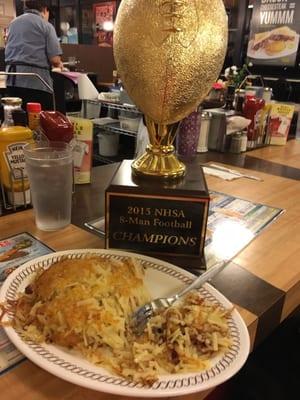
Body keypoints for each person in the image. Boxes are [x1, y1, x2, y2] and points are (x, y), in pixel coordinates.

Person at [4, 0, 63, 110]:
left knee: (17, 120)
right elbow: (54, 59)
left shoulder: (13, 23)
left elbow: (8, 46)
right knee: (38, 121)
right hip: (36, 81)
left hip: (12, 79)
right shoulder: (46, 25)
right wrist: (60, 65)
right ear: (45, 10)